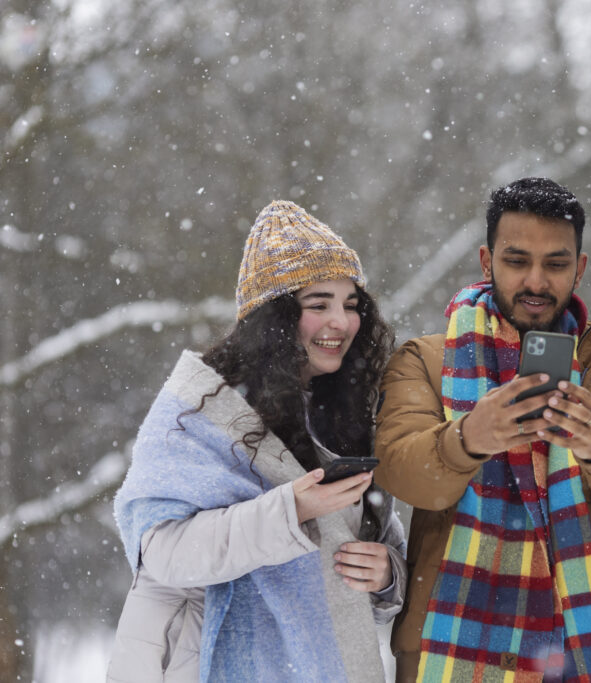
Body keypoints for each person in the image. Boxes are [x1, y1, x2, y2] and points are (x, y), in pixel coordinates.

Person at [374, 177, 591, 682]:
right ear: (487, 261)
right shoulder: (426, 362)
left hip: (570, 655)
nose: (536, 281)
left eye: (555, 264)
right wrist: (469, 437)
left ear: (578, 269)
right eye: (517, 261)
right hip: (448, 653)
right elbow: (401, 472)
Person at [107, 201, 407, 682]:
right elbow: (164, 553)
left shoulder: (348, 415)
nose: (341, 322)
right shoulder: (197, 410)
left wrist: (387, 574)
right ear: (276, 317)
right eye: (318, 304)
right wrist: (291, 511)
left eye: (351, 305)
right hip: (199, 662)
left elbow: (379, 538)